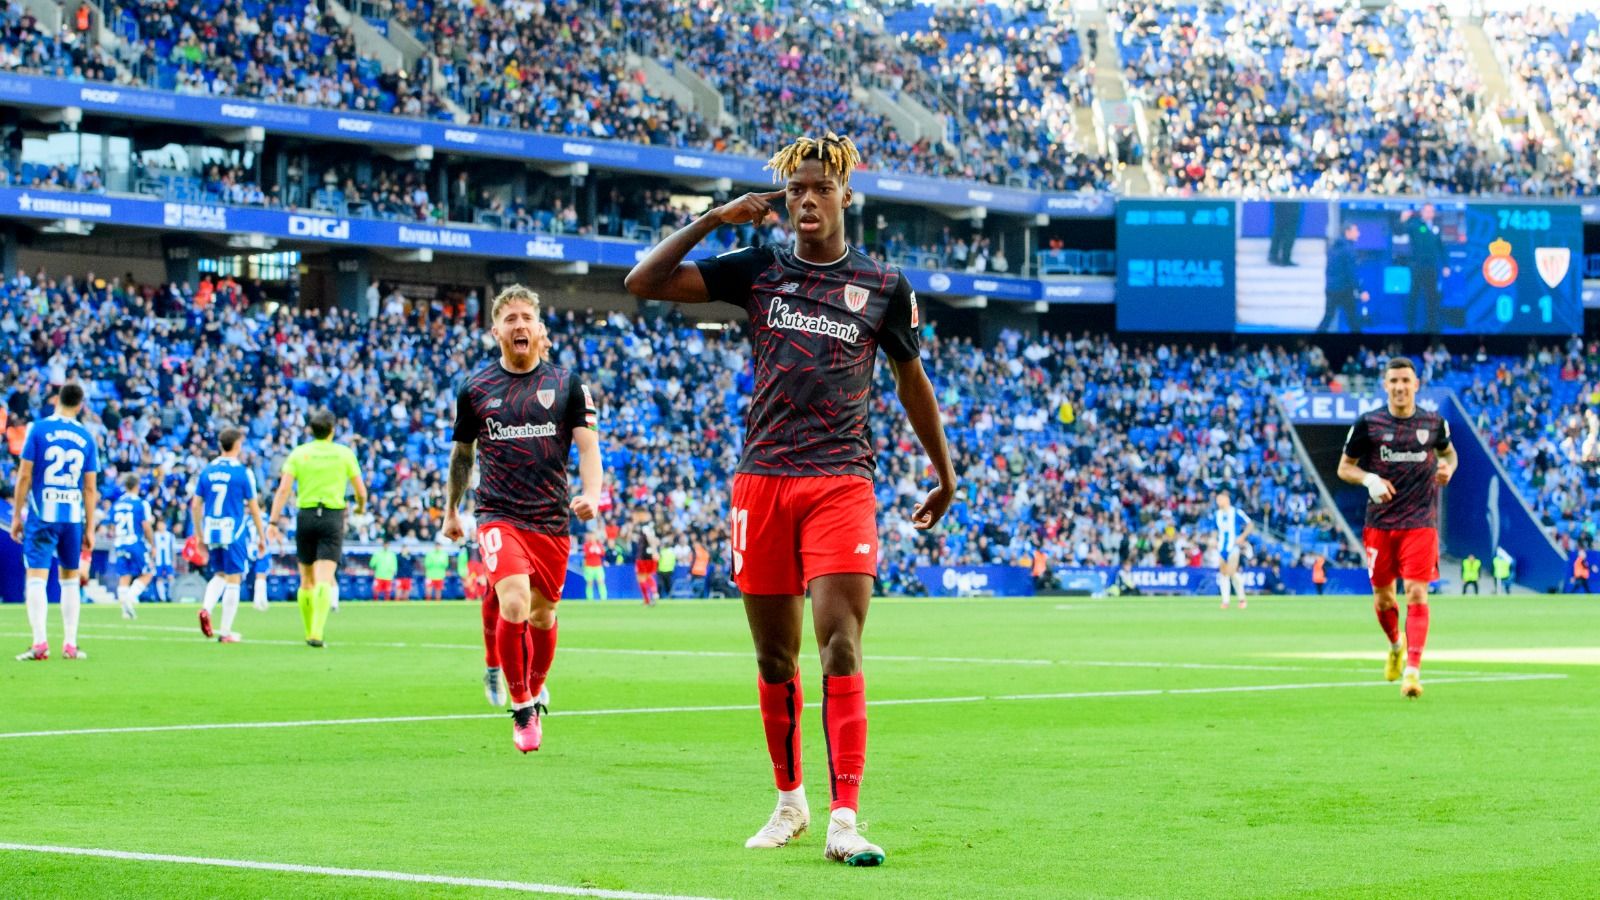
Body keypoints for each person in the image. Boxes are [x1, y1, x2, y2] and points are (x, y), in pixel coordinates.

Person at [624, 132, 957, 865]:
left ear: (845, 197)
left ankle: (845, 818)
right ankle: (789, 802)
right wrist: (715, 218)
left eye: (821, 189)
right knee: (776, 658)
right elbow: (643, 282)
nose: (807, 199)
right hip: (763, 480)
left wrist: (945, 473)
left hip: (841, 480)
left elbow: (911, 380)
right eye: (796, 189)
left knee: (840, 641)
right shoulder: (759, 268)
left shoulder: (883, 285)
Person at [443, 284, 602, 753]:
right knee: (512, 602)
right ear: (496, 331)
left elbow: (588, 447)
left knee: (543, 614)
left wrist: (593, 493)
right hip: (498, 513)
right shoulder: (475, 389)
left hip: (550, 518)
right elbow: (462, 456)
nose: (518, 325)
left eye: (526, 317)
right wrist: (451, 510)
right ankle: (522, 707)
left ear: (538, 328)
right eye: (509, 318)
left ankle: (533, 684)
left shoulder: (568, 384)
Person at [1337, 357, 1456, 698]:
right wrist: (1369, 479)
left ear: (1416, 384)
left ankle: (1413, 673)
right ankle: (1395, 645)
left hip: (1420, 522)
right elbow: (1345, 468)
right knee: (1384, 597)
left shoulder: (1435, 423)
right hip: (1380, 524)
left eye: (1406, 380)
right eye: (1394, 381)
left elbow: (1449, 455)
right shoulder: (1368, 424)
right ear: (1385, 385)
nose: (1400, 387)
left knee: (1417, 592)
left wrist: (1448, 469)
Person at [10, 382, 99, 661]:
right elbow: (90, 488)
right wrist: (90, 528)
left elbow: (24, 475)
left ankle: (40, 643)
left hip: (42, 514)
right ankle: (70, 644)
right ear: (80, 405)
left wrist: (17, 515)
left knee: (37, 577)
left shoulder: (38, 429)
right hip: (72, 517)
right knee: (70, 579)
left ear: (57, 400)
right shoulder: (86, 437)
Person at [268, 409, 367, 648]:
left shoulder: (299, 453)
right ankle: (317, 631)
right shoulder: (344, 454)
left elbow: (283, 490)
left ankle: (307, 629)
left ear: (311, 430)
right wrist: (360, 508)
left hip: (306, 516)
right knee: (325, 577)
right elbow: (361, 491)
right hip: (332, 517)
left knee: (306, 579)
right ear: (332, 429)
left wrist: (273, 521)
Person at [190, 427, 267, 644]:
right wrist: (261, 536)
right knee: (234, 578)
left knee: (219, 574)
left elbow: (195, 505)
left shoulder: (207, 470)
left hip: (212, 529)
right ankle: (225, 632)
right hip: (233, 530)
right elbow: (254, 508)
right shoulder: (243, 472)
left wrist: (199, 535)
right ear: (238, 445)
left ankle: (206, 608)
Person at [109, 473, 155, 620]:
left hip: (120, 543)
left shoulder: (117, 504)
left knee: (124, 576)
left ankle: (125, 611)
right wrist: (152, 544)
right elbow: (146, 526)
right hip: (135, 542)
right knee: (148, 572)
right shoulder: (141, 503)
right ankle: (129, 598)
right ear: (137, 486)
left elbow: (112, 527)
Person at [1400, 204, 1449, 333]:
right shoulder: (1415, 225)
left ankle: (1432, 327)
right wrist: (1403, 220)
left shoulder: (1436, 228)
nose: (1429, 213)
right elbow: (1402, 230)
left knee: (1432, 297)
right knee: (1413, 297)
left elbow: (1441, 248)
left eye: (1431, 211)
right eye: (1426, 211)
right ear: (1422, 212)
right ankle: (1410, 327)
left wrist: (1445, 265)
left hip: (1431, 268)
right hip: (1417, 267)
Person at [1317, 222, 1368, 333]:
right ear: (1347, 232)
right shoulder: (1348, 250)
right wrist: (1361, 291)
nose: (1358, 233)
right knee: (1353, 320)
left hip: (1331, 289)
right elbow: (1352, 273)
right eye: (1356, 231)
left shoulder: (1332, 248)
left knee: (1328, 318)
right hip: (1344, 290)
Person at [1213, 489, 1254, 610]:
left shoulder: (1236, 512)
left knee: (1231, 571)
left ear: (1227, 500)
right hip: (1221, 547)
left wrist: (1242, 537)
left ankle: (1242, 598)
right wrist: (1214, 539)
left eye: (1220, 499)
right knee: (1223, 573)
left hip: (1233, 546)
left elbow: (1250, 524)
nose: (1218, 502)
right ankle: (1225, 601)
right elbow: (1215, 529)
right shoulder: (1217, 514)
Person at [631, 509, 660, 607]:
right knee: (647, 576)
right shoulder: (649, 526)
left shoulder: (645, 526)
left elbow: (650, 539)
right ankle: (653, 594)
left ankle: (649, 598)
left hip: (643, 556)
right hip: (648, 555)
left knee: (641, 577)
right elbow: (655, 539)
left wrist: (654, 551)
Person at [152, 519, 177, 603]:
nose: (161, 526)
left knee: (171, 577)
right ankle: (162, 598)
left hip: (168, 561)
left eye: (162, 524)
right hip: (158, 561)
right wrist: (152, 561)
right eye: (159, 525)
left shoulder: (170, 536)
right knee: (159, 579)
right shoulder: (154, 536)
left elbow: (173, 550)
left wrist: (174, 560)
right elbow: (152, 549)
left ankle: (171, 596)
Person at [581, 528, 608, 600]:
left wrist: (597, 550)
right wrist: (592, 550)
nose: (592, 537)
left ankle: (604, 598)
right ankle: (589, 599)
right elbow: (585, 555)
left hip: (598, 566)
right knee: (589, 583)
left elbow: (603, 553)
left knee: (601, 582)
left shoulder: (599, 544)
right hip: (589, 566)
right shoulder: (586, 545)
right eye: (591, 536)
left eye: (594, 536)